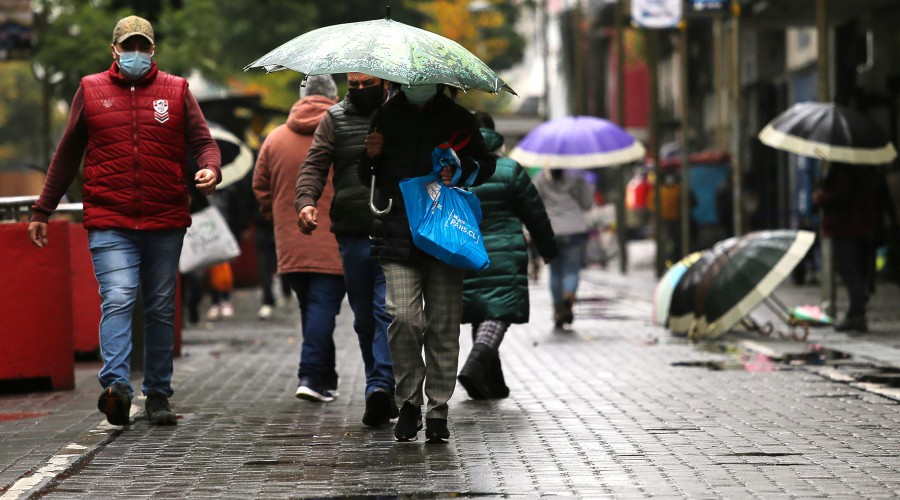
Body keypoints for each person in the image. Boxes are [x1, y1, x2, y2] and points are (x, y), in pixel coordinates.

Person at [27, 15, 221, 426]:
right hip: (110, 218)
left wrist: (209, 169)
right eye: (128, 46)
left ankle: (158, 394)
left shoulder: (177, 90)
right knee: (118, 296)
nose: (136, 53)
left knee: (160, 307)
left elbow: (204, 142)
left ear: (153, 50)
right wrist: (43, 209)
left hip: (164, 217)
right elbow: (67, 154)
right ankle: (116, 387)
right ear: (114, 50)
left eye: (143, 46)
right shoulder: (90, 90)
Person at [359, 83, 496, 443]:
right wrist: (370, 155)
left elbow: (486, 164)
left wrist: (461, 169)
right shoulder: (385, 115)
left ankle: (437, 409)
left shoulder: (456, 116)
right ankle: (408, 402)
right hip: (397, 229)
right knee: (403, 317)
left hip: (443, 235)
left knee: (443, 326)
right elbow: (365, 177)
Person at [296, 72, 398, 427]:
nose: (358, 91)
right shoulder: (334, 118)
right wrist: (306, 201)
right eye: (352, 85)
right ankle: (380, 386)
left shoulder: (398, 116)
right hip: (352, 231)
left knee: (387, 310)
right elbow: (314, 164)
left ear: (384, 83)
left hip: (394, 228)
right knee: (364, 318)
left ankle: (381, 385)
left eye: (366, 84)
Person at [252, 75, 346, 402]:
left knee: (312, 307)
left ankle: (326, 378)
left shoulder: (275, 139)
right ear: (333, 97)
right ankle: (309, 375)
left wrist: (275, 215)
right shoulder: (344, 133)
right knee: (321, 307)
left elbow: (260, 187)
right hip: (333, 240)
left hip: (289, 240)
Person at [458, 111, 557, 400]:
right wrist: (547, 250)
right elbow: (535, 215)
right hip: (506, 251)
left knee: (482, 308)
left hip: (468, 252)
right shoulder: (510, 169)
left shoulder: (456, 171)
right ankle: (476, 363)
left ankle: (492, 383)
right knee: (498, 312)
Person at [812, 163, 878, 333]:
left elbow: (841, 196)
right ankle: (856, 312)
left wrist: (821, 198)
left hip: (845, 227)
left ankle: (857, 315)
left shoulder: (845, 169)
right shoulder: (866, 168)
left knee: (851, 272)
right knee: (857, 272)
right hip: (862, 225)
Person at [533, 168, 594, 329]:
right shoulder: (577, 177)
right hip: (574, 229)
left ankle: (558, 309)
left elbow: (534, 203)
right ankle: (569, 295)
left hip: (551, 230)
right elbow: (587, 204)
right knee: (571, 271)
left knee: (555, 272)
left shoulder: (540, 178)